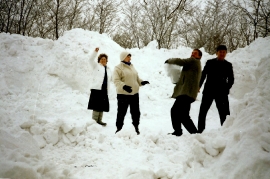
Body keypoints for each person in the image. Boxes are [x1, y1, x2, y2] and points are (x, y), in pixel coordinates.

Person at [165, 49, 202, 136]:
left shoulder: (193, 61)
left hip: (186, 93)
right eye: (192, 53)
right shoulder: (194, 65)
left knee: (175, 111)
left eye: (195, 53)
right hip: (187, 93)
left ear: (199, 57)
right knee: (183, 115)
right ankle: (193, 133)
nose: (192, 54)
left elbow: (180, 61)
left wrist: (170, 61)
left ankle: (181, 132)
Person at [197, 45, 234, 133]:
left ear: (226, 53)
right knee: (203, 111)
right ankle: (200, 130)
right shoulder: (210, 62)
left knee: (224, 113)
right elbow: (203, 74)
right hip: (208, 91)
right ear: (216, 53)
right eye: (220, 52)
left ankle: (225, 130)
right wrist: (199, 85)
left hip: (222, 93)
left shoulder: (228, 65)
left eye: (223, 52)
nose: (222, 53)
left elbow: (231, 79)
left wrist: (226, 88)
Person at [113, 51, 149, 135]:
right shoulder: (118, 68)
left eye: (130, 56)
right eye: (128, 56)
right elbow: (116, 80)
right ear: (123, 57)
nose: (130, 58)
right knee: (121, 112)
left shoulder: (132, 66)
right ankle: (119, 128)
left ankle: (136, 127)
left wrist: (141, 82)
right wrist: (124, 86)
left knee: (136, 112)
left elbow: (136, 78)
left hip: (134, 94)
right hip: (123, 94)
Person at [87, 47, 112, 126]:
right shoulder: (96, 66)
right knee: (96, 106)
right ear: (99, 60)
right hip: (96, 89)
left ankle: (99, 120)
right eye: (102, 59)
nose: (103, 60)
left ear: (106, 60)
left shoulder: (108, 69)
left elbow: (112, 79)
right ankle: (94, 122)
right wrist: (95, 52)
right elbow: (90, 60)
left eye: (105, 59)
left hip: (104, 90)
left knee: (102, 106)